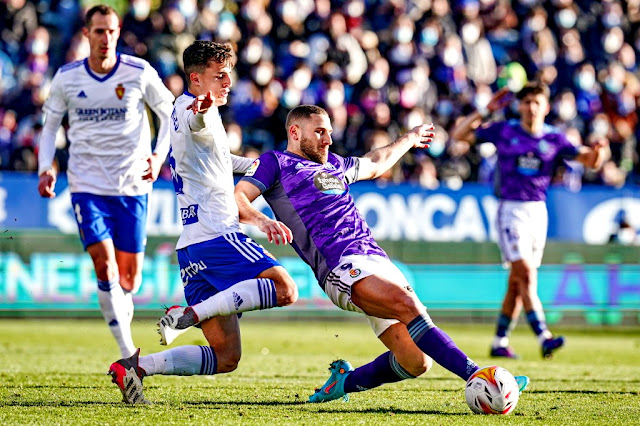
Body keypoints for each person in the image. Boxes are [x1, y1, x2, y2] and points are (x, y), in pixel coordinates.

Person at [231, 104, 529, 403]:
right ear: (294, 132)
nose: (328, 140)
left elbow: (375, 162)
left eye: (330, 132)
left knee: (416, 361)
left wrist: (409, 139)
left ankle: (342, 384)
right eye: (319, 132)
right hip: (340, 266)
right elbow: (239, 197)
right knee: (407, 304)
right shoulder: (276, 163)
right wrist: (263, 220)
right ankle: (480, 377)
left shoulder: (334, 164)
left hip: (376, 259)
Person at [107, 41, 297, 404]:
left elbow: (220, 160)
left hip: (192, 247)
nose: (228, 82)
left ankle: (136, 368)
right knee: (286, 289)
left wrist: (261, 166)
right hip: (218, 235)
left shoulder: (181, 111)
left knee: (227, 358)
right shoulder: (198, 110)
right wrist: (202, 108)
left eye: (229, 74)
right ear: (196, 78)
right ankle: (188, 314)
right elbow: (199, 117)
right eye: (218, 76)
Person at [37, 5, 174, 359]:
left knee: (129, 281)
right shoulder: (67, 77)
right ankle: (129, 357)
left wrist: (159, 157)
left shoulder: (138, 71)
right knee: (104, 264)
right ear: (87, 34)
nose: (105, 38)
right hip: (86, 184)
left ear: (118, 32)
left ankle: (124, 332)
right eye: (98, 31)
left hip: (132, 186)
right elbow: (50, 126)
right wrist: (46, 167)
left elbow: (168, 112)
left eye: (111, 31)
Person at [450, 83, 607, 359]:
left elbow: (590, 160)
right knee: (526, 274)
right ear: (519, 106)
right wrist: (486, 109)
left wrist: (600, 152)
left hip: (538, 212)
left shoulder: (555, 138)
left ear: (546, 107)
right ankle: (544, 336)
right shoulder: (505, 130)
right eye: (526, 102)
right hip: (510, 210)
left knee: (516, 281)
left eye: (537, 102)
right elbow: (459, 134)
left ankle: (500, 341)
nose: (531, 107)